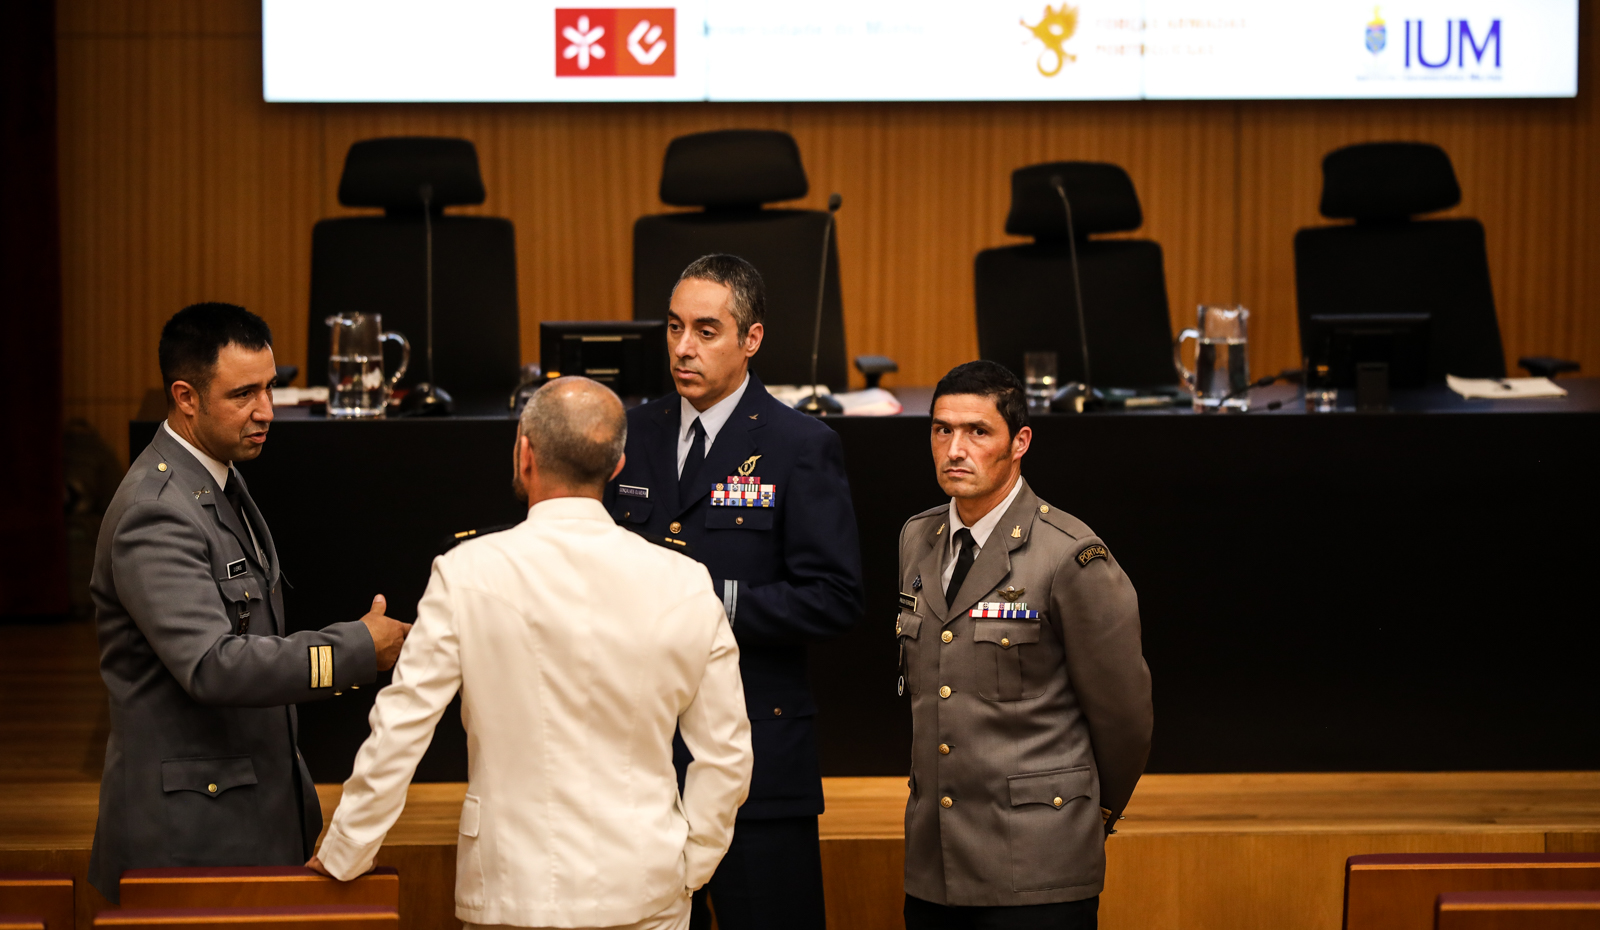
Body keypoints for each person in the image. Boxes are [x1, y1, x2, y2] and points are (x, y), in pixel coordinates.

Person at [311, 377, 754, 930]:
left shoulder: (466, 573)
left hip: (509, 888)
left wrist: (344, 853)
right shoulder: (685, 581)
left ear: (524, 454)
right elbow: (727, 753)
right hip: (647, 890)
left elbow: (400, 730)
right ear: (617, 467)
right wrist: (692, 866)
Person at [88, 302, 411, 902]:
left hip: (248, 803)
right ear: (186, 397)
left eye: (270, 387)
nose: (266, 411)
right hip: (192, 836)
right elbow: (213, 666)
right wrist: (354, 650)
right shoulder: (155, 511)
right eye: (243, 394)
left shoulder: (213, 477)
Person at [602, 254, 864, 930]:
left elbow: (836, 596)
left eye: (707, 331)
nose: (683, 348)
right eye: (673, 327)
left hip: (758, 763)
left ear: (751, 340)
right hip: (643, 762)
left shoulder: (800, 444)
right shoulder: (632, 432)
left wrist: (712, 603)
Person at [896, 361, 1152, 930]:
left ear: (1019, 442)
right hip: (936, 864)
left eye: (977, 432)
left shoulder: (1069, 555)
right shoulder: (919, 538)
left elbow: (1124, 718)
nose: (955, 449)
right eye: (942, 430)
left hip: (1039, 867)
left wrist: (1084, 818)